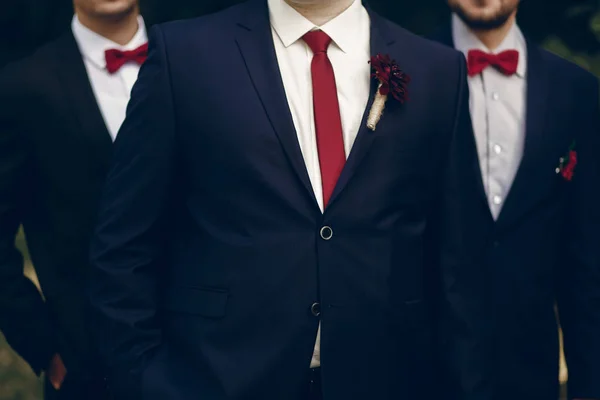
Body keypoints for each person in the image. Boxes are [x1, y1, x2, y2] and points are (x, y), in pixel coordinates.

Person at [88, 0, 473, 399]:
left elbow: (458, 260)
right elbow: (124, 244)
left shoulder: (436, 70)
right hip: (215, 379)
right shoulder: (184, 53)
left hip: (389, 378)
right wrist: (143, 379)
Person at [430, 1, 600, 399]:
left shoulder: (576, 92)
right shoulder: (407, 77)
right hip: (424, 371)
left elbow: (586, 266)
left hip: (531, 372)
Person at [0, 0, 148, 398]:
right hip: (90, 367)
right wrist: (44, 346)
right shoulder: (22, 87)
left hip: (211, 356)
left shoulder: (200, 60)